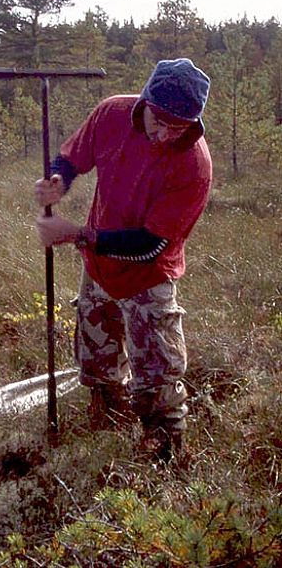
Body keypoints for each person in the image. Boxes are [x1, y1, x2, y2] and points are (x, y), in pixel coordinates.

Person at [35, 58, 212, 462]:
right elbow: (72, 158)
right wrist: (58, 180)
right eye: (159, 121)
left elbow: (151, 246)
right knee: (97, 358)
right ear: (144, 103)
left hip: (148, 276)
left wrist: (76, 234)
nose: (165, 134)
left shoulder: (194, 165)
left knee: (158, 373)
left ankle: (162, 447)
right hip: (98, 267)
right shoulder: (112, 114)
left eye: (179, 127)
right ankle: (107, 419)